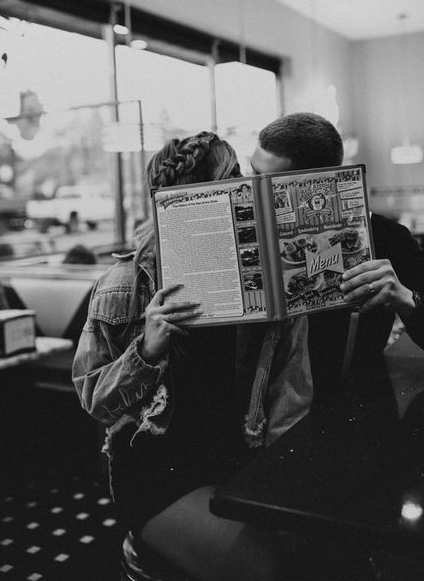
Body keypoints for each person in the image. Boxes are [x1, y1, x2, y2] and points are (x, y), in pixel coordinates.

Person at [73, 131, 289, 581]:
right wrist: (147, 348)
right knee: (270, 568)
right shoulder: (126, 282)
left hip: (237, 455)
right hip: (160, 474)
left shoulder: (255, 270)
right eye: (234, 182)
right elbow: (94, 398)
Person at [249, 113, 424, 404]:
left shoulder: (386, 237)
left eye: (268, 184)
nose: (252, 192)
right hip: (254, 409)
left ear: (317, 186)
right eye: (251, 174)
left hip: (349, 409)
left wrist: (404, 298)